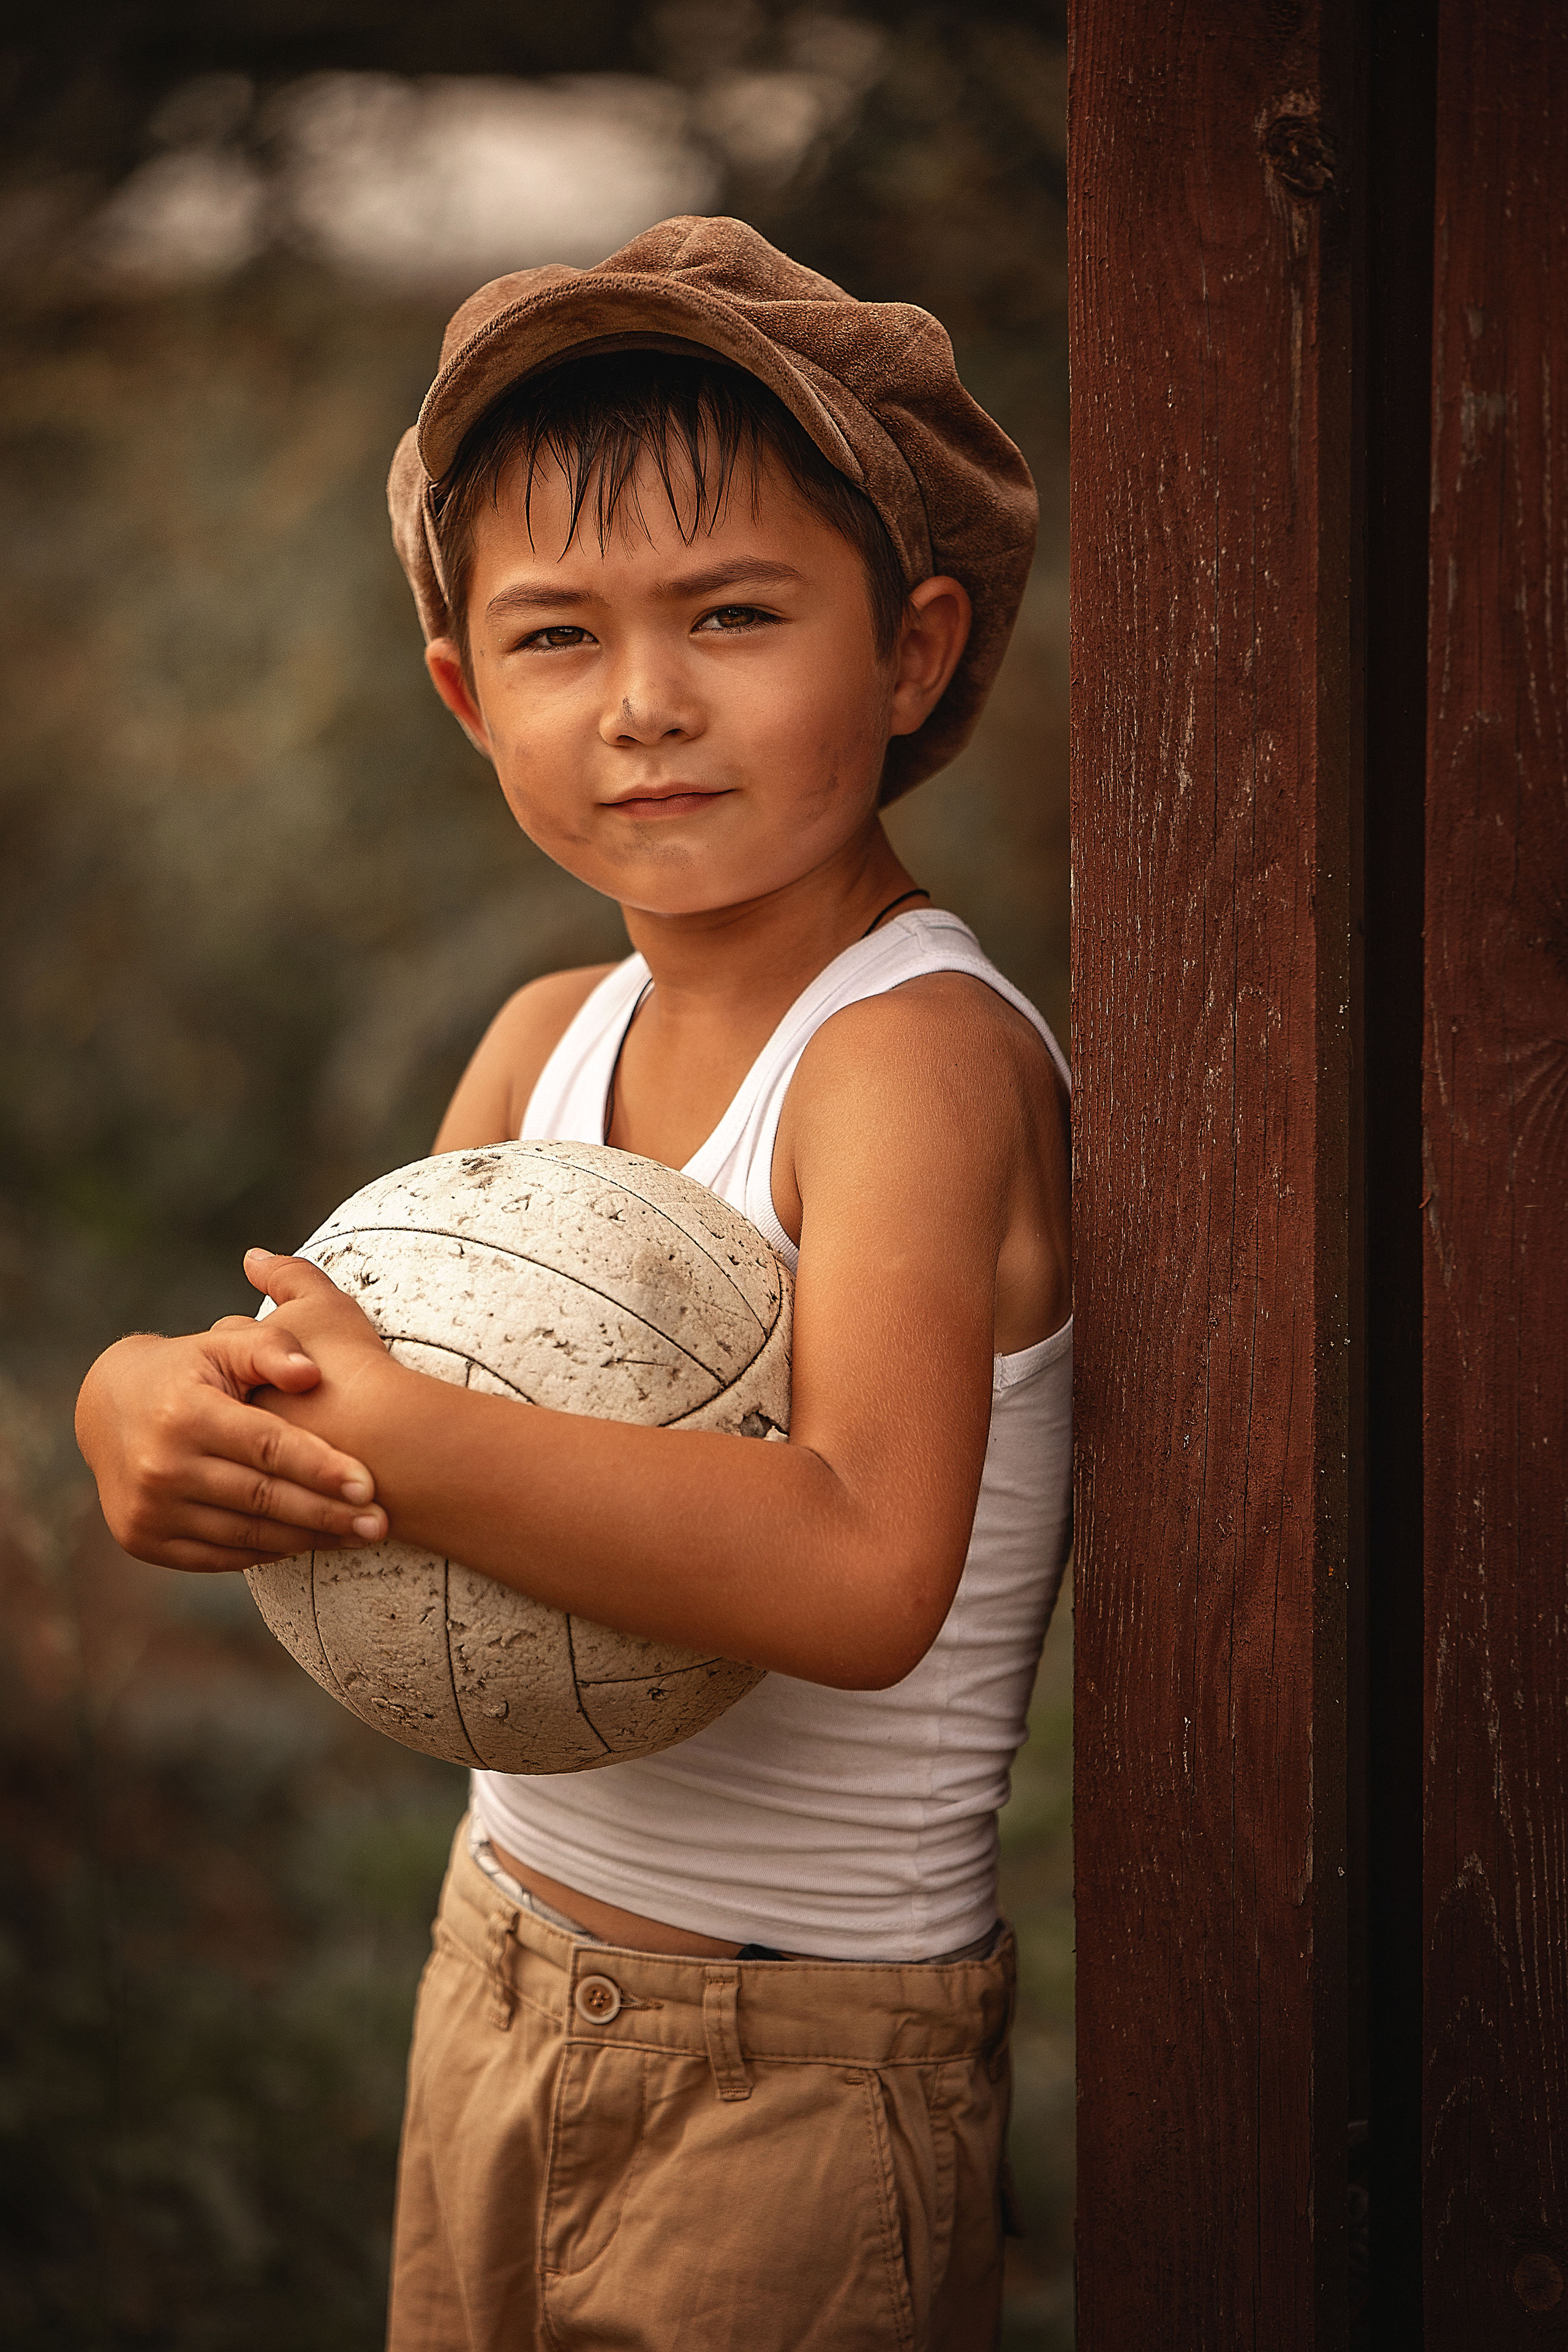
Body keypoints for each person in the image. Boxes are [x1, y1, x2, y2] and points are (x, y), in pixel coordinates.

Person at [74, 216, 1072, 2351]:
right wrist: (153, 1403)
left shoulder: (910, 1063)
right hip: (498, 1957)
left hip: (797, 2072)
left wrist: (415, 1445)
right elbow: (362, 1386)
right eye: (555, 639)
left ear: (907, 655)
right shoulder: (544, 1044)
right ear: (465, 696)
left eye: (734, 615)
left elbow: (864, 1571)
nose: (645, 704)